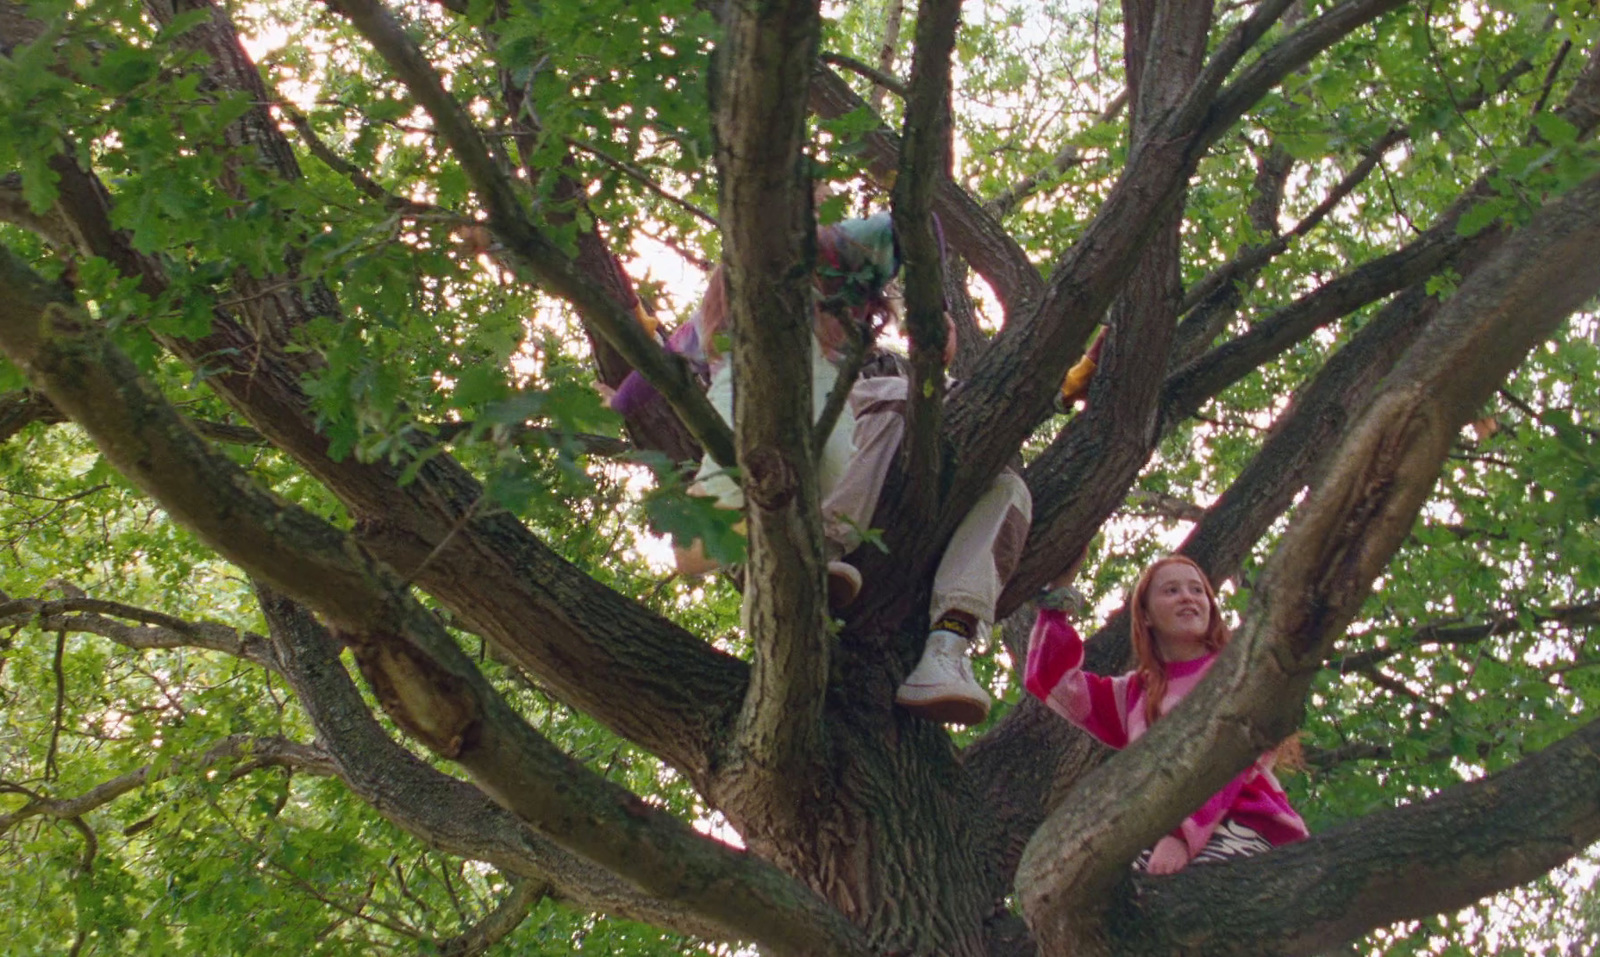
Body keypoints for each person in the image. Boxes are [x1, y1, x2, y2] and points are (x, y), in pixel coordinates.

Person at [608, 212, 1031, 726]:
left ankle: (947, 646)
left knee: (1007, 485)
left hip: (900, 525)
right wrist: (619, 403)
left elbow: (921, 230)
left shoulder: (887, 363)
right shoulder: (773, 361)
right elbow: (668, 363)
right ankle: (808, 553)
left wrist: (931, 314)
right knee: (877, 402)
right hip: (795, 513)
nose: (827, 321)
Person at [1024, 555, 1308, 873]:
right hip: (1155, 834)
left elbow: (1227, 761)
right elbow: (1053, 681)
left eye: (1197, 590)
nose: (1188, 596)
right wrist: (1056, 598)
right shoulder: (1136, 695)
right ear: (1145, 615)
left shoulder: (1238, 673)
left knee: (1191, 899)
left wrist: (1181, 837)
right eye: (1171, 590)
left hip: (1241, 821)